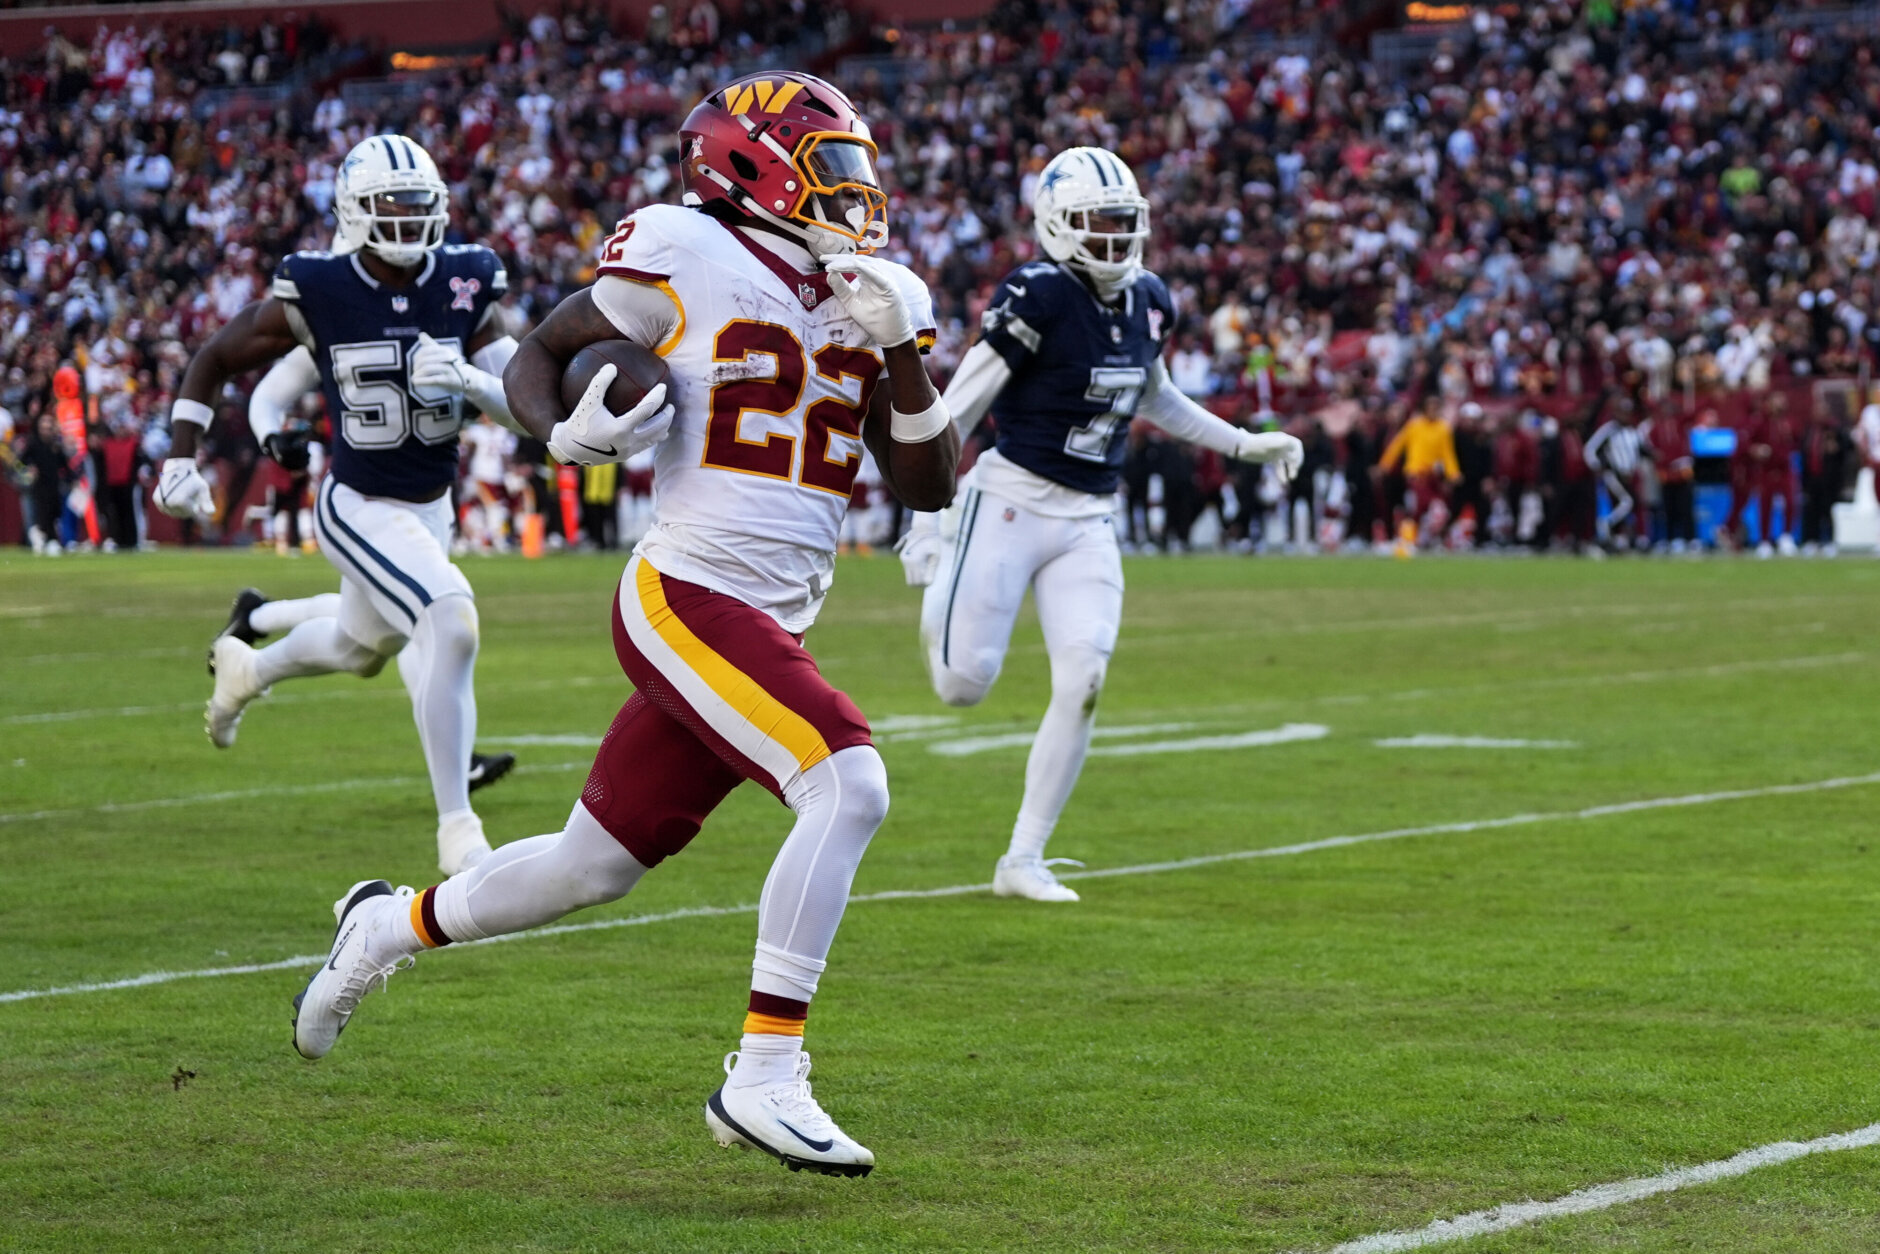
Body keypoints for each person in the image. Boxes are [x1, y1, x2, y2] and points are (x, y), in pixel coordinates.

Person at [289, 73, 958, 1178]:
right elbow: (539, 355)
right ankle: (765, 1073)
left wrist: (898, 348)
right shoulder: (682, 247)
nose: (854, 191)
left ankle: (385, 925)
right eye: (829, 167)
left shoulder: (880, 289)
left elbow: (927, 484)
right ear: (749, 165)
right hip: (684, 592)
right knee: (849, 781)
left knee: (587, 868)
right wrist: (559, 436)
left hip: (770, 616)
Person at [897, 147, 1302, 903]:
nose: (1116, 237)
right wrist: (927, 516)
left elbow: (1155, 394)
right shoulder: (1039, 294)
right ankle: (951, 564)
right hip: (1009, 501)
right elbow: (958, 408)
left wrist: (1244, 443)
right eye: (1098, 222)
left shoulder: (1148, 297)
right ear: (1057, 224)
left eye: (1123, 222)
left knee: (1084, 676)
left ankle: (1023, 858)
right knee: (961, 686)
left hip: (1088, 516)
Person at [154, 134, 524, 875]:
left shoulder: (465, 278)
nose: (409, 221)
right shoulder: (322, 287)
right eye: (392, 207)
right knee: (450, 620)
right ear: (355, 211)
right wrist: (181, 456)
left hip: (430, 507)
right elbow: (217, 357)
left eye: (419, 206)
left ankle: (247, 670)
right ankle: (459, 832)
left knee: (359, 648)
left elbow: (522, 403)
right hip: (357, 502)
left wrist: (473, 383)